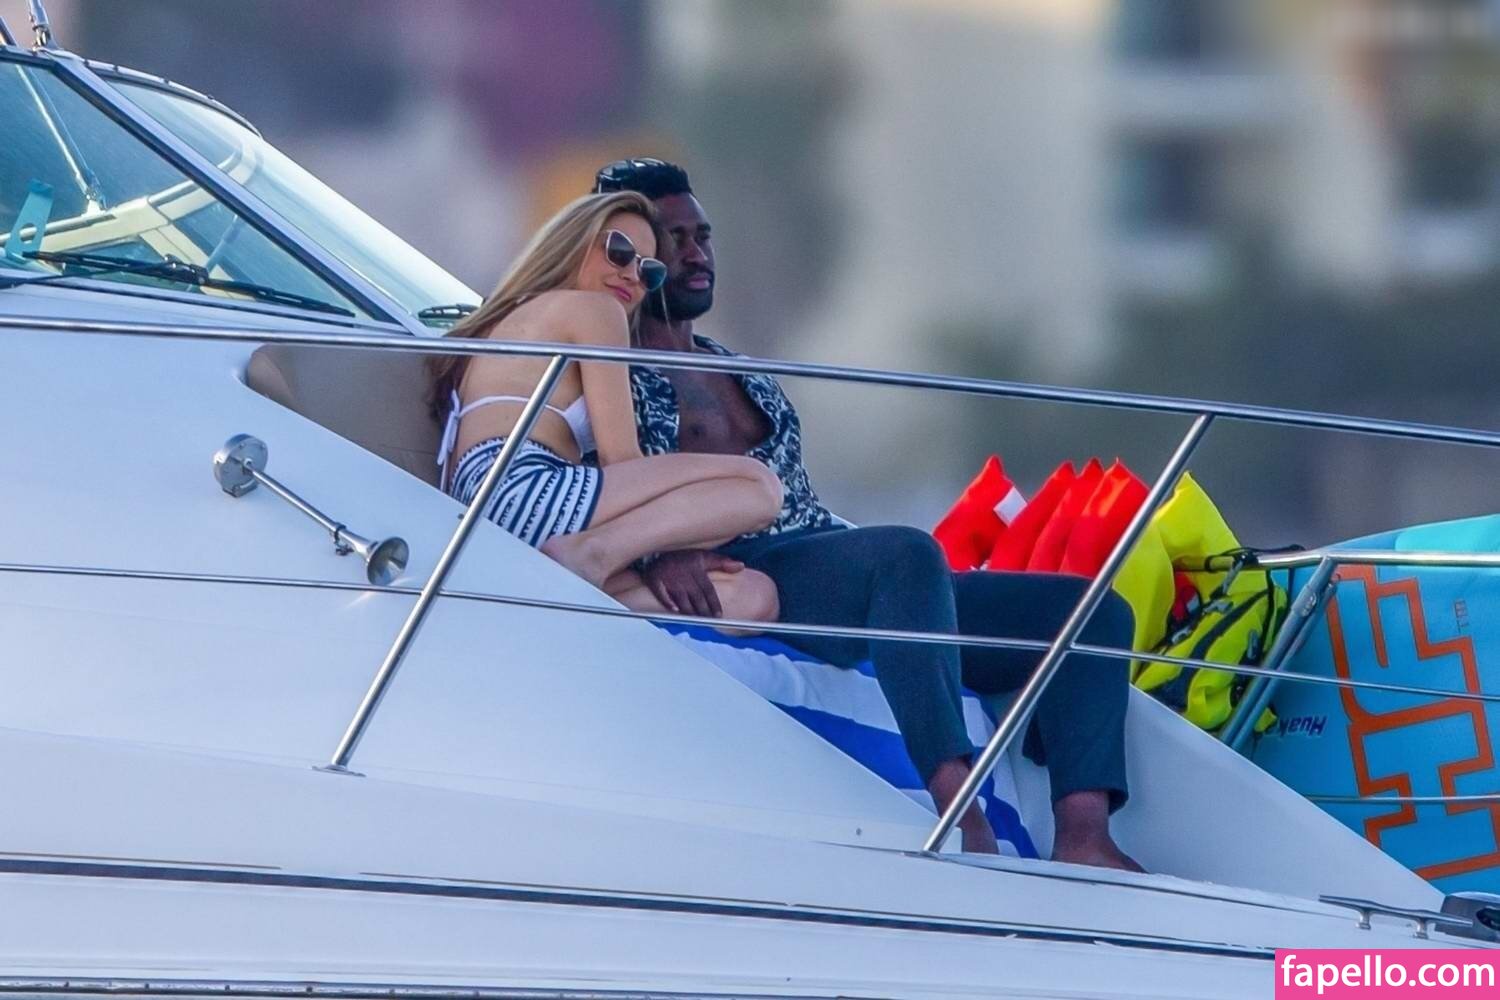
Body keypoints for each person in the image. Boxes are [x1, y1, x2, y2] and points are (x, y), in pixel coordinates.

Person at [594, 159, 1141, 870]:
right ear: (632, 253)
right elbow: (597, 483)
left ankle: (1084, 836)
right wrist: (657, 552)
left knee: (1089, 612)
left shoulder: (732, 364)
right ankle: (962, 814)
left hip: (823, 555)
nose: (697, 254)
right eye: (676, 239)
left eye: (704, 236)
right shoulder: (609, 369)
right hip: (752, 568)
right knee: (906, 553)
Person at [430, 190, 783, 623]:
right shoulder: (595, 310)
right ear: (573, 242)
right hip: (523, 490)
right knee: (757, 486)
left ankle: (565, 584)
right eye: (619, 251)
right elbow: (622, 458)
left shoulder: (511, 319)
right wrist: (664, 545)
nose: (632, 275)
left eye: (649, 271)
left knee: (752, 597)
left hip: (496, 515)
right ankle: (591, 556)